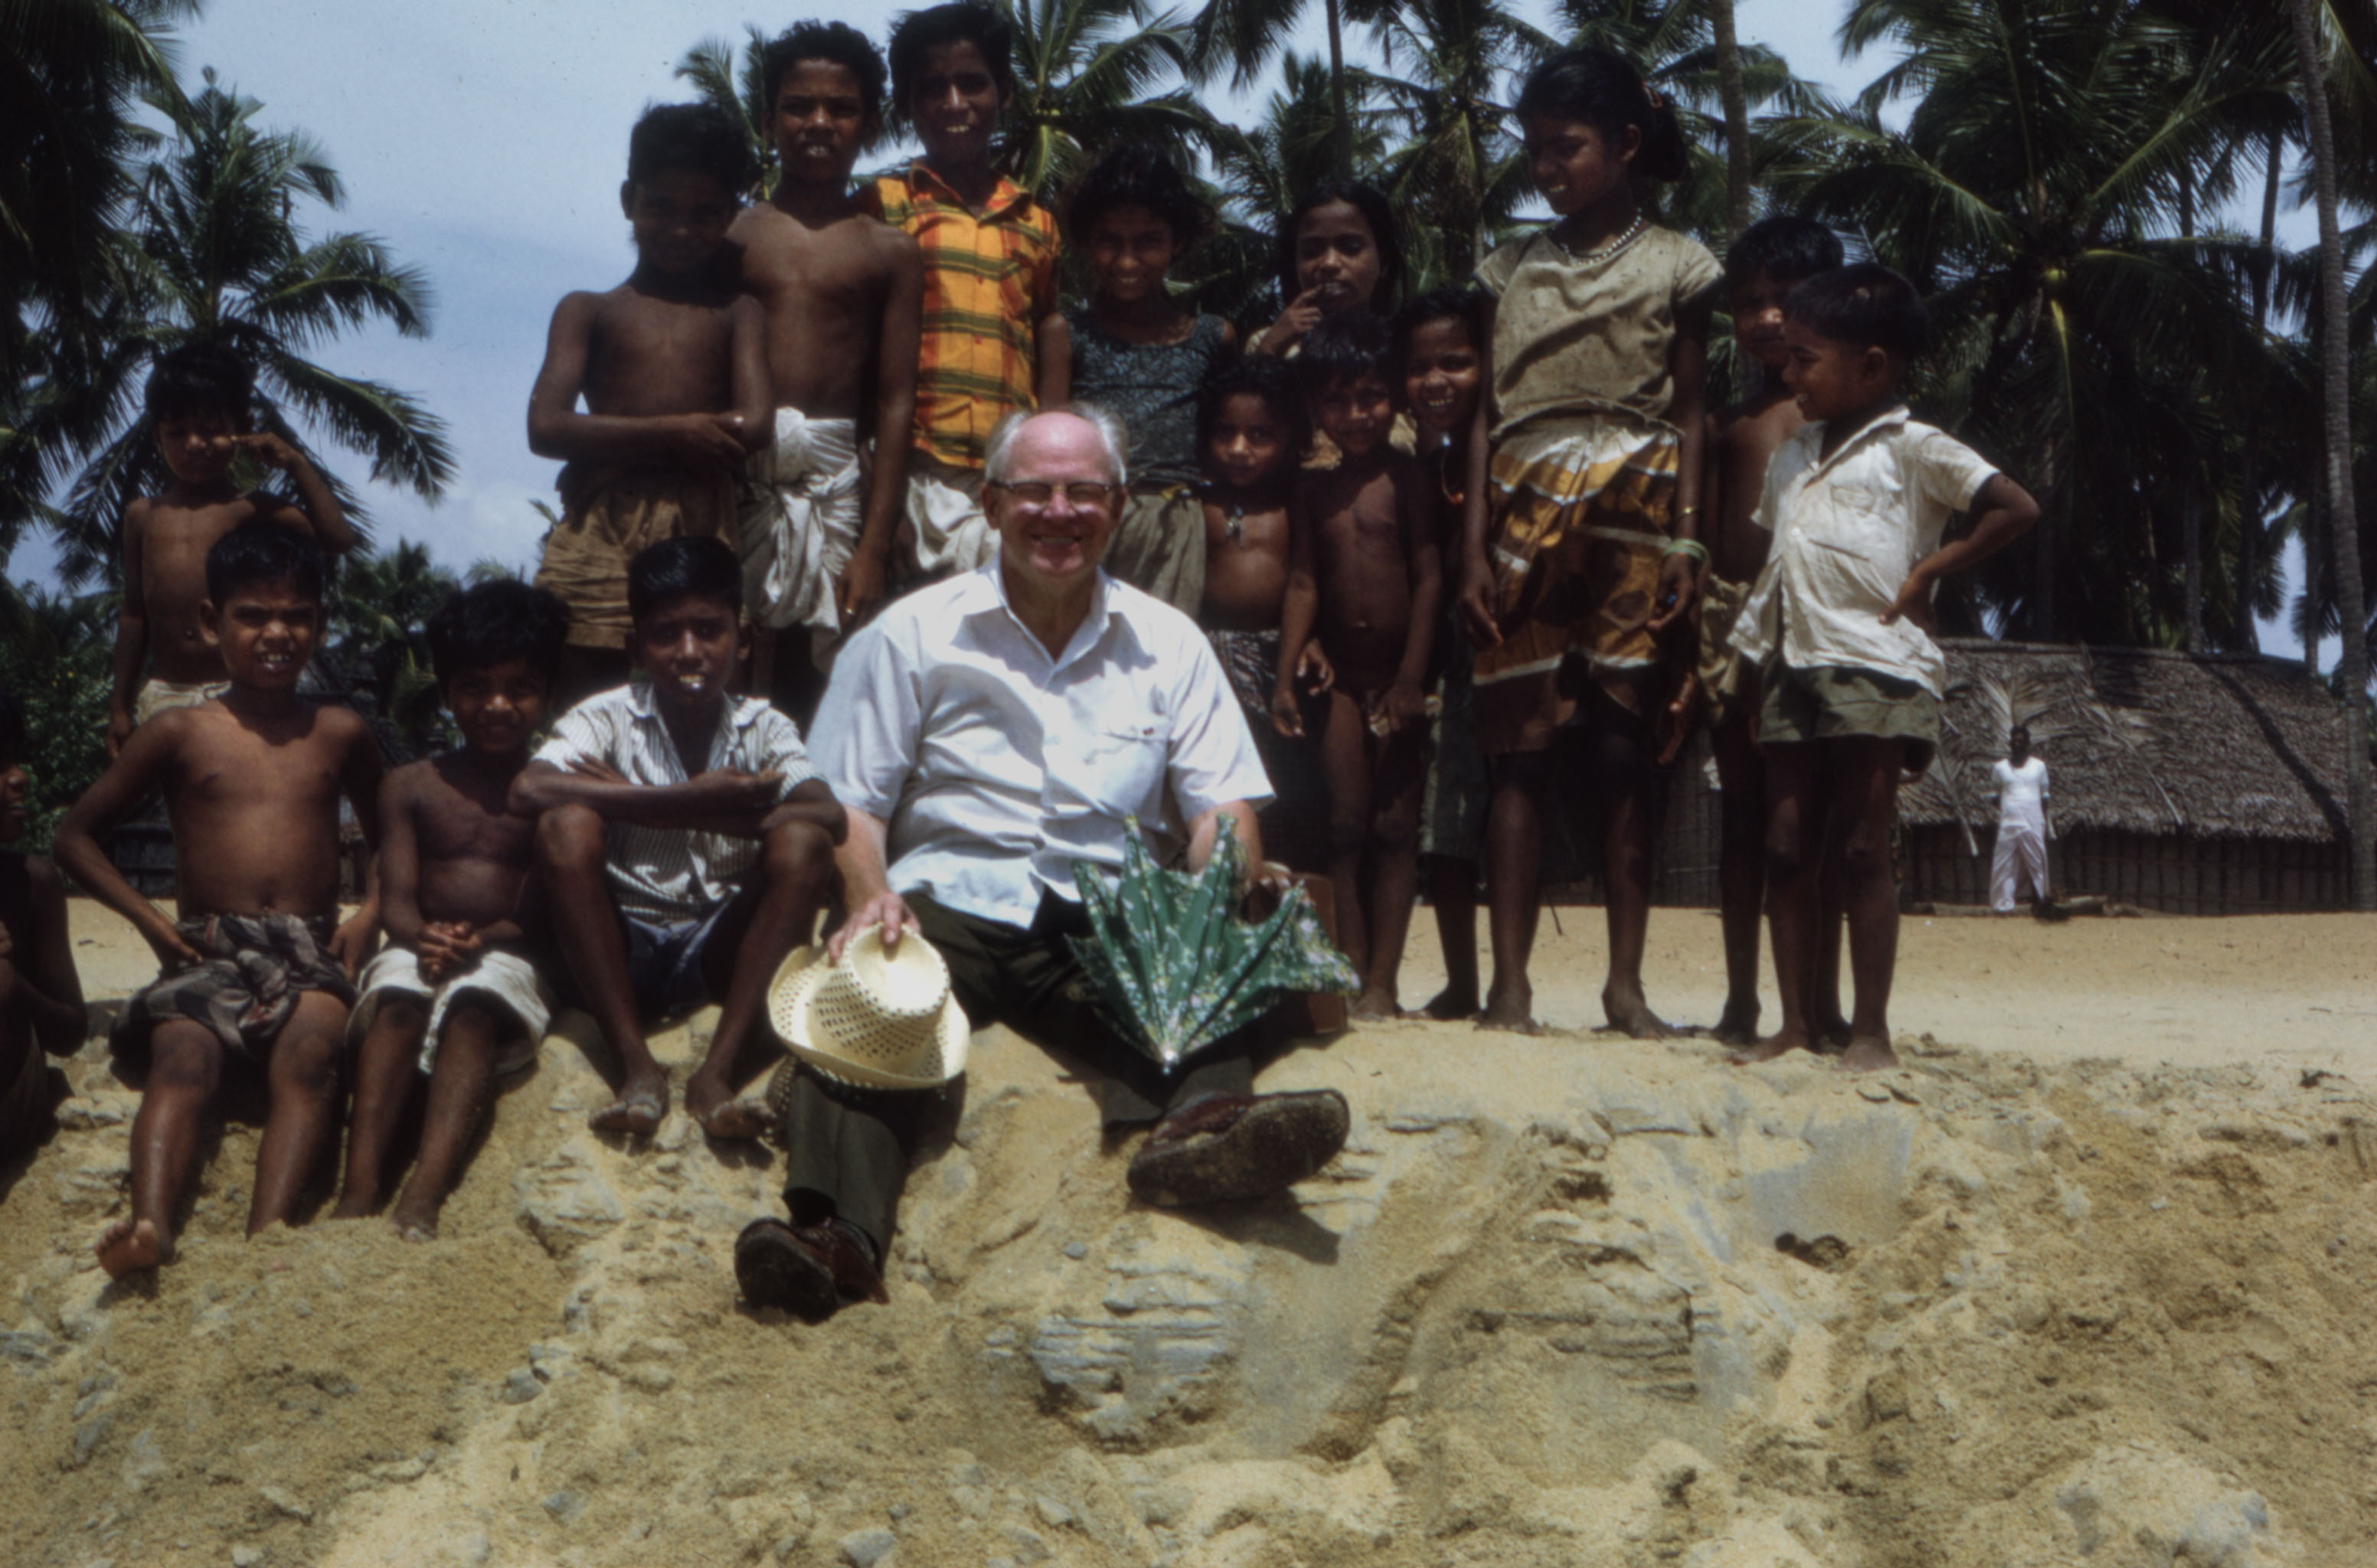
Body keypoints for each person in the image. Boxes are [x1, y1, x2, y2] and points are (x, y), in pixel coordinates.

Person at [737, 407, 1351, 1321]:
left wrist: (1217, 879)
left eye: (1083, 492)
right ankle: (836, 1239)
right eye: (1034, 491)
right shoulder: (912, 633)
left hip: (1106, 902)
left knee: (1193, 961)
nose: (1058, 512)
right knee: (860, 1001)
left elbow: (1218, 805)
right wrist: (868, 896)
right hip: (945, 898)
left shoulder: (1168, 642)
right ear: (990, 504)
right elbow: (849, 801)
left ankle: (1199, 1131)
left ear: (1119, 505)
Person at [1455, 47, 1718, 1037]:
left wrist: (1687, 545)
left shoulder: (1680, 264)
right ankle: (1509, 987)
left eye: (1564, 147)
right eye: (1533, 149)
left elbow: (1690, 414)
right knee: (1517, 751)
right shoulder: (1506, 267)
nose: (1544, 167)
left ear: (1626, 143)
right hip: (1521, 510)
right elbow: (1483, 417)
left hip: (1637, 514)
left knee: (1619, 748)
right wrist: (1472, 547)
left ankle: (1625, 988)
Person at [1726, 263, 2041, 1070]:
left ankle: (1869, 1032)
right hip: (1790, 663)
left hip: (1873, 661)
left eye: (1805, 360)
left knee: (1863, 846)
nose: (1789, 375)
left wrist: (1930, 569)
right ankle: (1796, 1024)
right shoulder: (1791, 455)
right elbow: (1776, 566)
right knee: (1786, 846)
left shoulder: (1913, 447)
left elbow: (2014, 506)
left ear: (1869, 366)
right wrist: (1752, 668)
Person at [56, 524, 384, 1276]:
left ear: (321, 624)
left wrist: (371, 912)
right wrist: (151, 922)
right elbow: (74, 837)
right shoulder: (179, 731)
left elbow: (393, 831)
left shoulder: (339, 731)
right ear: (212, 622)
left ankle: (268, 1234)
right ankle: (152, 1224)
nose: (277, 632)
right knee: (181, 1056)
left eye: (297, 615)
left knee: (312, 1051)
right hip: (206, 947)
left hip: (308, 947)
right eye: (253, 615)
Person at [512, 536, 845, 1138]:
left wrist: (675, 813)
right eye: (666, 634)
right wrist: (683, 799)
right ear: (635, 647)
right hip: (623, 943)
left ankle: (716, 1073)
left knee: (804, 843)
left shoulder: (765, 726)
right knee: (566, 825)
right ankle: (636, 1066)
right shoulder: (605, 715)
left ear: (742, 640)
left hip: (721, 947)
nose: (689, 652)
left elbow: (827, 814)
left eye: (709, 631)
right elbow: (530, 790)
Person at [335, 581, 571, 1238]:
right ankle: (359, 1190)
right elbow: (397, 900)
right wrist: (425, 937)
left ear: (548, 695)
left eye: (520, 687)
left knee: (474, 1008)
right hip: (416, 943)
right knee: (397, 1004)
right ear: (444, 693)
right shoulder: (410, 785)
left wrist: (482, 939)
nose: (496, 705)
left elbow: (541, 912)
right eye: (474, 687)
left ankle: (425, 1193)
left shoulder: (552, 792)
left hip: (511, 955)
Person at [528, 103, 770, 707]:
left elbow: (756, 423)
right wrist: (676, 435)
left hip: (701, 519)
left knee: (704, 692)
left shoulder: (738, 313)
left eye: (705, 214)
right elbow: (546, 425)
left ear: (732, 214)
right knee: (581, 691)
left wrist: (615, 449)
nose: (681, 230)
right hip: (602, 524)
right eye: (660, 208)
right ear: (628, 200)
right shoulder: (587, 309)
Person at [731, 22, 923, 714]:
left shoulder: (889, 250)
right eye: (798, 106)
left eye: (841, 108)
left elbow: (896, 401)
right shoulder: (734, 233)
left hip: (836, 483)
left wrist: (873, 543)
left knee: (826, 685)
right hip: (737, 478)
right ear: (768, 120)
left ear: (869, 125)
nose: (818, 122)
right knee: (731, 663)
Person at [1692, 215, 1846, 1046]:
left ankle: (1818, 1004)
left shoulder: (1847, 420)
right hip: (1732, 624)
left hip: (1820, 622)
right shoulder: (1728, 424)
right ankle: (1741, 1000)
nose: (1764, 319)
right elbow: (1713, 541)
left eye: (1783, 300)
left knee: (1817, 826)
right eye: (1748, 303)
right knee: (1744, 823)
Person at [1272, 313, 1440, 1020]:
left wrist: (1412, 678)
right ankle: (1348, 969)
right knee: (1344, 828)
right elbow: (1303, 582)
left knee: (1395, 830)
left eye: (1371, 396)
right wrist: (1284, 675)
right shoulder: (1313, 491)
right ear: (1316, 409)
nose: (1356, 414)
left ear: (1393, 399)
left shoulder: (1410, 478)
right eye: (1337, 401)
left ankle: (1384, 985)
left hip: (1401, 679)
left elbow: (1429, 578)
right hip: (1341, 681)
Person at [866, 2, 1064, 582]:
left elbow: (1045, 337)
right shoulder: (883, 206)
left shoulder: (1037, 222)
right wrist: (883, 506)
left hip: (1008, 477)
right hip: (913, 472)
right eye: (933, 88)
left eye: (973, 83)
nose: (955, 103)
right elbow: (854, 356)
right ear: (906, 104)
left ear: (1004, 91)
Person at [106, 343, 357, 756]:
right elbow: (134, 615)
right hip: (165, 692)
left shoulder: (253, 510)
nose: (194, 443)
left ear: (241, 428)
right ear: (157, 437)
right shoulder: (144, 516)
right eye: (177, 432)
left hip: (239, 693)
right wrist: (120, 706)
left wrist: (295, 463)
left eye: (210, 429)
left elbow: (338, 539)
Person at [1048, 142, 1236, 615]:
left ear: (1178, 242)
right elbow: (1049, 449)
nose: (1127, 262)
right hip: (1089, 526)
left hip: (1178, 534)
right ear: (1087, 241)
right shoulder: (1065, 335)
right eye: (1110, 241)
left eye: (1148, 242)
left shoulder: (1213, 338)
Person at [1395, 289, 1491, 1021]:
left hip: (1500, 648)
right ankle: (1462, 983)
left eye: (1455, 362)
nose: (1436, 381)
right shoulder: (1410, 465)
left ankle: (1509, 982)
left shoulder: (1505, 451)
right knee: (1445, 825)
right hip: (1439, 658)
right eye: (1419, 367)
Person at [1198, 357, 1327, 871]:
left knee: (1280, 783)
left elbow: (1302, 583)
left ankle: (1279, 888)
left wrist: (1295, 658)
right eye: (1225, 433)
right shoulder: (1197, 501)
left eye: (1259, 435)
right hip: (1208, 659)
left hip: (1276, 657)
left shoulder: (1296, 501)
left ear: (1289, 437)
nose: (1239, 449)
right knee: (1218, 782)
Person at [1, 692, 85, 1164]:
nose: (19, 778)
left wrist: (15, 983)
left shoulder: (32, 882)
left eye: (14, 760)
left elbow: (71, 1032)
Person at [1247, 181, 1404, 361]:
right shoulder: (1269, 344)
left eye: (1350, 248)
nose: (1329, 263)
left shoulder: (1406, 346)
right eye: (1311, 252)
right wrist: (1269, 350)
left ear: (1384, 262)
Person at [1990, 724, 2053, 915]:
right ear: (2010, 743)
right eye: (2014, 741)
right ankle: (2003, 905)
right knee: (2004, 864)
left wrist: (2039, 819)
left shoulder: (2038, 767)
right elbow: (1995, 796)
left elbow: (2045, 796)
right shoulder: (2000, 768)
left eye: (2021, 741)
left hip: (2032, 822)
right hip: (2009, 822)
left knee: (2036, 862)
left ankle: (2040, 902)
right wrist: (2011, 810)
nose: (2017, 744)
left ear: (2027, 743)